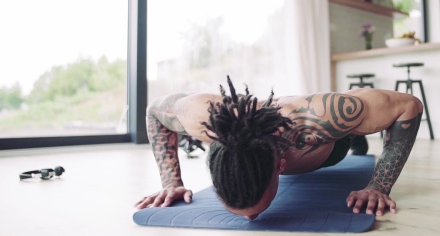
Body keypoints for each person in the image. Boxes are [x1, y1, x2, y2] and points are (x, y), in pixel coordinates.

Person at [135, 76, 423, 220]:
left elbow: (408, 106)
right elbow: (154, 112)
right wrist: (171, 180)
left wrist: (379, 185)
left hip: (330, 148)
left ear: (281, 166)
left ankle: (356, 135)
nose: (250, 219)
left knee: (351, 131)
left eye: (254, 211)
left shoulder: (323, 118)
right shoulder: (200, 116)